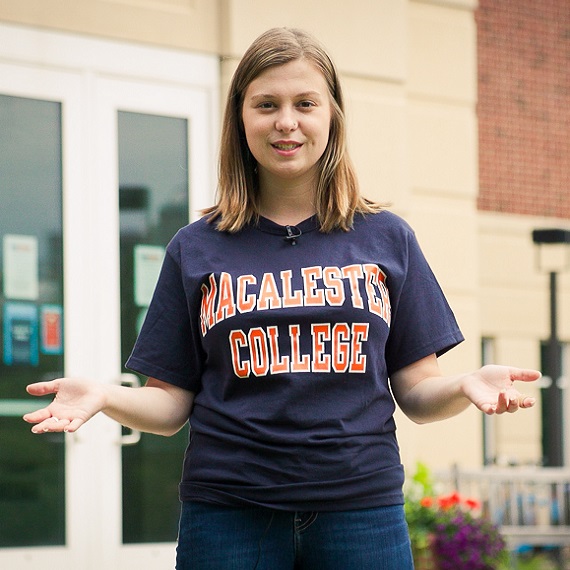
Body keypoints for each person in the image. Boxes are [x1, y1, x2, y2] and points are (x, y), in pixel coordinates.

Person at [23, 27, 540, 570]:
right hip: (228, 517)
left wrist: (463, 385)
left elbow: (416, 392)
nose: (286, 121)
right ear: (241, 118)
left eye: (305, 103)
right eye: (266, 104)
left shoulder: (387, 238)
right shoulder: (196, 247)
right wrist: (105, 396)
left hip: (360, 514)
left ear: (332, 115)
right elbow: (171, 404)